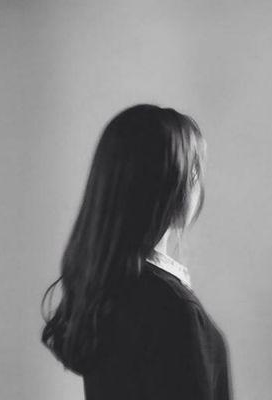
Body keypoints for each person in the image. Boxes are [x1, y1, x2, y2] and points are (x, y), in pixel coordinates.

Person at [41, 104, 234, 399]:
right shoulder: (172, 309)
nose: (199, 185)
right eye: (194, 171)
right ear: (168, 184)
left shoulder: (106, 294)